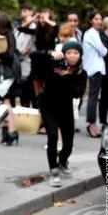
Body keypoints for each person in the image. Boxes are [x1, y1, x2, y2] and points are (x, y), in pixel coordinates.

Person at [40, 41, 87, 187]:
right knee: (53, 136)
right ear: (64, 54)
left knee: (68, 144)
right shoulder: (53, 66)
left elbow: (77, 93)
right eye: (69, 53)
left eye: (76, 53)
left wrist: (66, 75)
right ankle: (53, 172)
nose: (72, 56)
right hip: (48, 107)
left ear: (80, 56)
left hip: (66, 109)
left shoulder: (81, 74)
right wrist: (50, 56)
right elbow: (37, 60)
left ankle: (62, 161)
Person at [0, 12, 20, 146]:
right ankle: (8, 132)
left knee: (6, 102)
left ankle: (11, 131)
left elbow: (10, 55)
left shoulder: (8, 35)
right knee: (4, 102)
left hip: (6, 73)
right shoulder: (6, 35)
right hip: (4, 72)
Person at [82, 10, 107, 138]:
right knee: (93, 98)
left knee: (94, 97)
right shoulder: (91, 34)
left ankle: (92, 124)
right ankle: (92, 125)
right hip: (94, 69)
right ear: (91, 20)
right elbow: (103, 51)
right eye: (96, 19)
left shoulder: (94, 33)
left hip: (96, 68)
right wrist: (103, 48)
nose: (99, 21)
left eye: (100, 19)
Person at [14, 3, 36, 108]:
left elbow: (33, 40)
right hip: (20, 59)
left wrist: (29, 49)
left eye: (26, 11)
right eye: (22, 11)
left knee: (30, 86)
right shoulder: (19, 25)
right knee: (23, 88)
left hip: (29, 59)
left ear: (31, 12)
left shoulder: (34, 25)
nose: (24, 13)